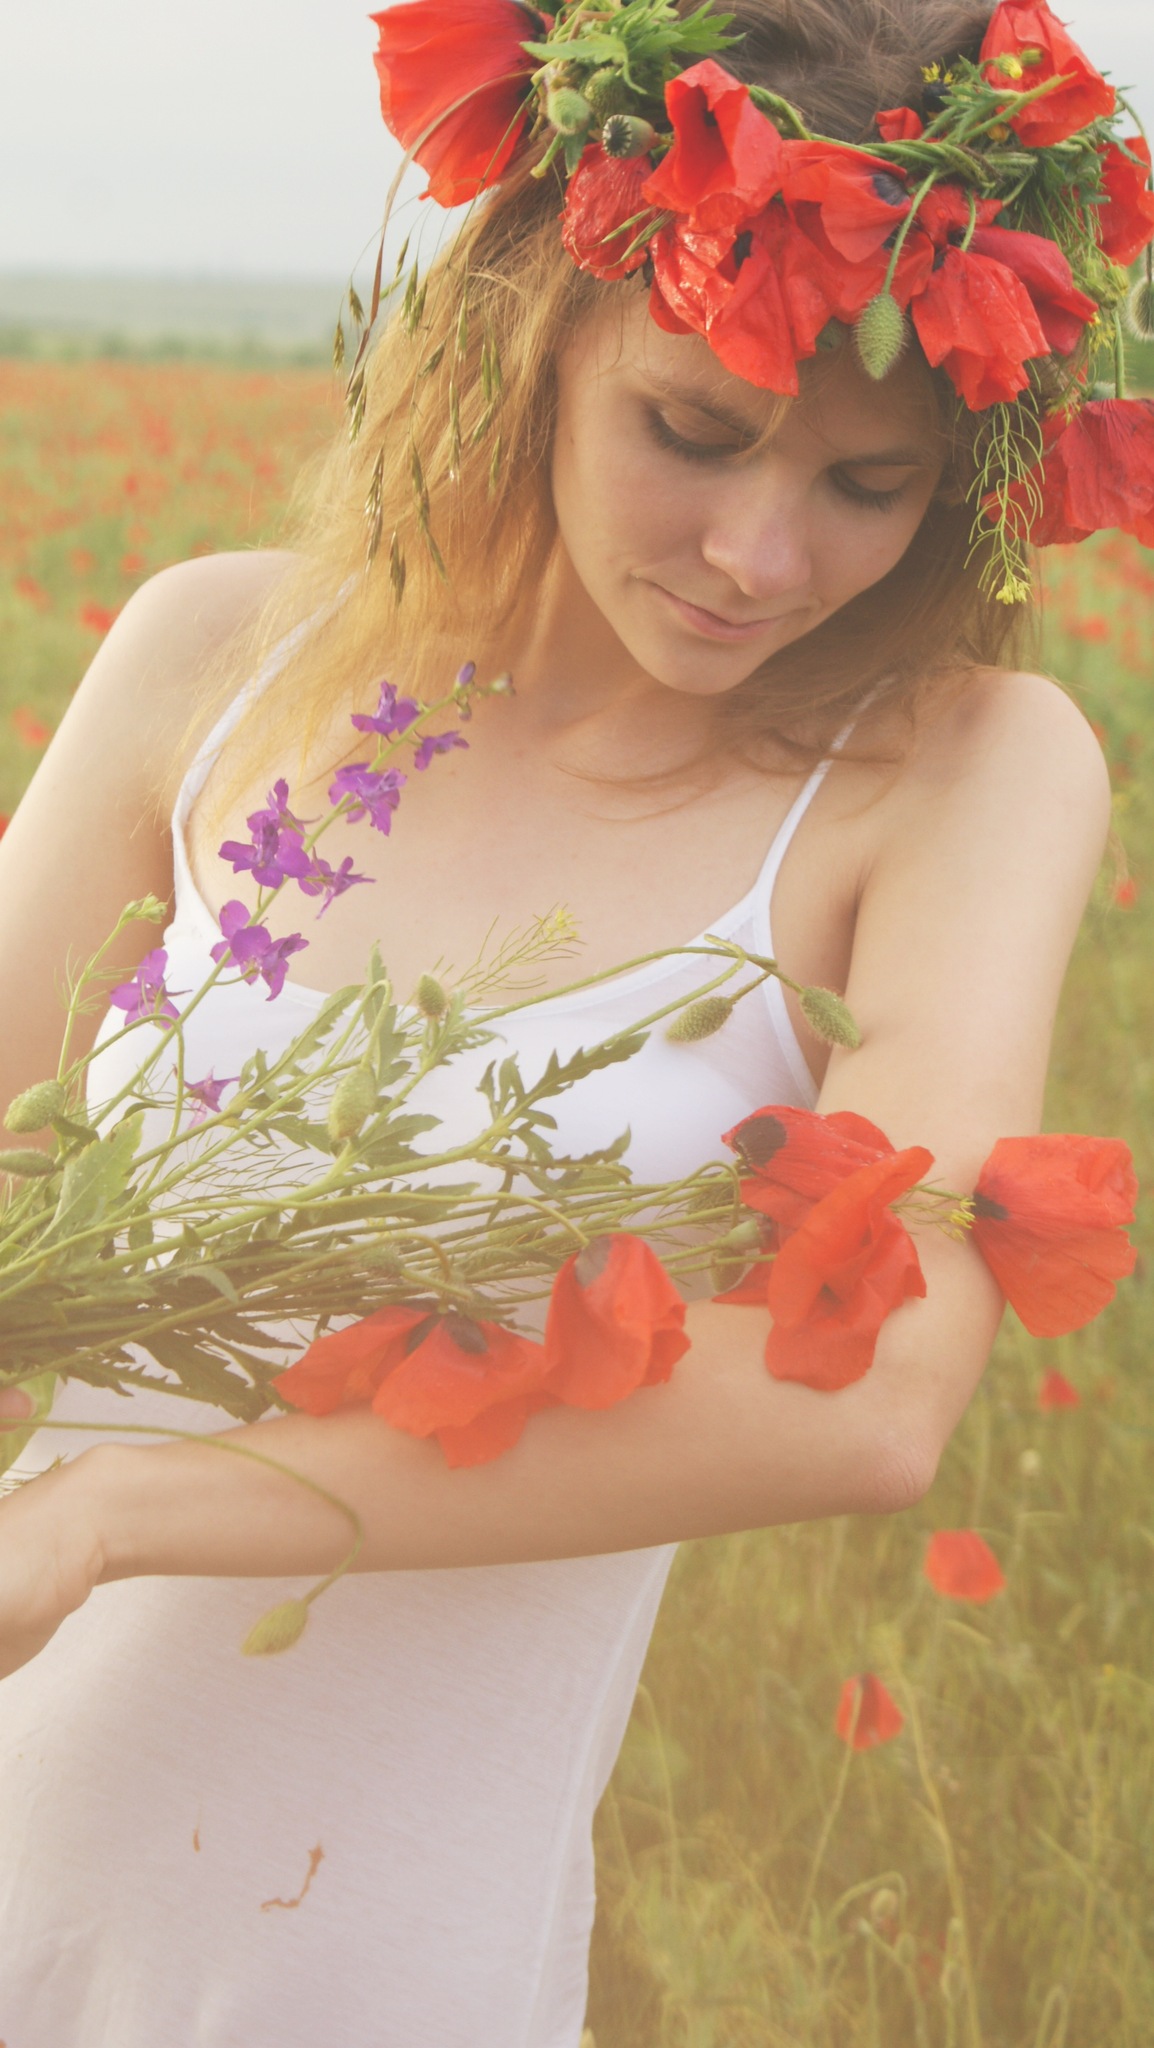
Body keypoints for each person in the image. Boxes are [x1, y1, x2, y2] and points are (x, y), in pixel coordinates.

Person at [0, 0, 1137, 2039]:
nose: (758, 556)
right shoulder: (213, 652)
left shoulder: (954, 771)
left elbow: (867, 1399)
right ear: (528, 325)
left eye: (868, 482)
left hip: (356, 1952)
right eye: (689, 431)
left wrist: (101, 1519)